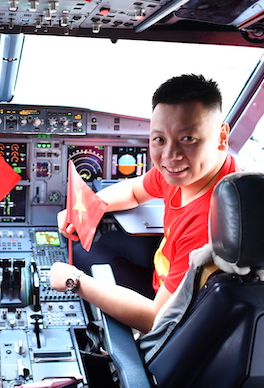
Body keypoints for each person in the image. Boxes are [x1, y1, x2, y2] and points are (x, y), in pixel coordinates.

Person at [50, 74, 239, 333]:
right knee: (106, 242)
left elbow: (156, 318)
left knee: (80, 253)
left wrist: (75, 281)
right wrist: (88, 206)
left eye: (188, 139)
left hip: (164, 304)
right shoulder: (185, 172)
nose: (170, 156)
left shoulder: (211, 223)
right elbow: (136, 191)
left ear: (221, 137)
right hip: (165, 270)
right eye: (159, 139)